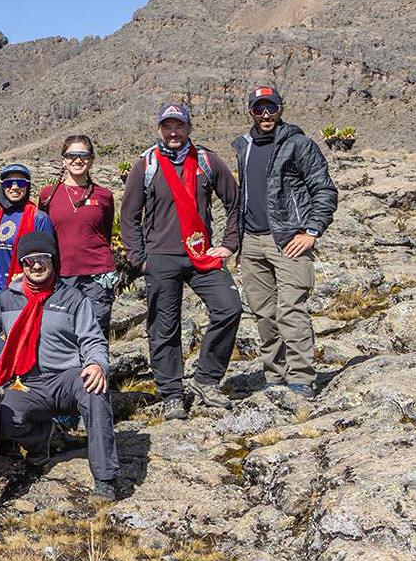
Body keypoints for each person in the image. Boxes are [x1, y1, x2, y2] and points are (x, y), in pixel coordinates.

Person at [0, 231, 121, 502]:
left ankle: (105, 478)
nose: (36, 266)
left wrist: (97, 364)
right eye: (28, 261)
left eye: (42, 259)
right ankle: (43, 437)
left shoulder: (73, 298)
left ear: (53, 260)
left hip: (66, 378)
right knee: (2, 419)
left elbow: (93, 339)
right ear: (21, 264)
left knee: (95, 392)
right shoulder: (6, 299)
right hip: (25, 384)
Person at [120, 102, 243, 420]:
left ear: (189, 128)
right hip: (161, 258)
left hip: (201, 254)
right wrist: (139, 258)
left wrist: (229, 245)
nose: (173, 132)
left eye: (179, 126)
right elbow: (129, 215)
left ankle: (206, 379)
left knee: (229, 308)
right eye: (167, 127)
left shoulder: (206, 161)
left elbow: (235, 202)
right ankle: (173, 393)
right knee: (164, 327)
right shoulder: (146, 164)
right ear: (160, 129)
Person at [231, 86, 339, 397]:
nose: (265, 114)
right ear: (250, 111)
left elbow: (325, 190)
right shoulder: (244, 146)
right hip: (252, 242)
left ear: (281, 109)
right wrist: (238, 242)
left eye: (271, 108)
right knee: (264, 314)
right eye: (259, 108)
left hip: (289, 239)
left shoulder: (299, 144)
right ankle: (274, 377)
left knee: (291, 311)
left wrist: (311, 232)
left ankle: (301, 379)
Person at [38, 137, 118, 336]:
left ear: (91, 160)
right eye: (72, 155)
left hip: (98, 276)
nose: (77, 160)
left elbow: (104, 233)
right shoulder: (48, 195)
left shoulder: (104, 196)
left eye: (83, 155)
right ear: (63, 160)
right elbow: (43, 235)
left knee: (96, 332)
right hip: (61, 274)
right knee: (63, 333)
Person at [0, 163, 56, 306]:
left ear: (27, 186)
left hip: (24, 291)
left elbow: (49, 260)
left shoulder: (38, 218)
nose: (15, 187)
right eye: (9, 183)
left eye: (21, 183)